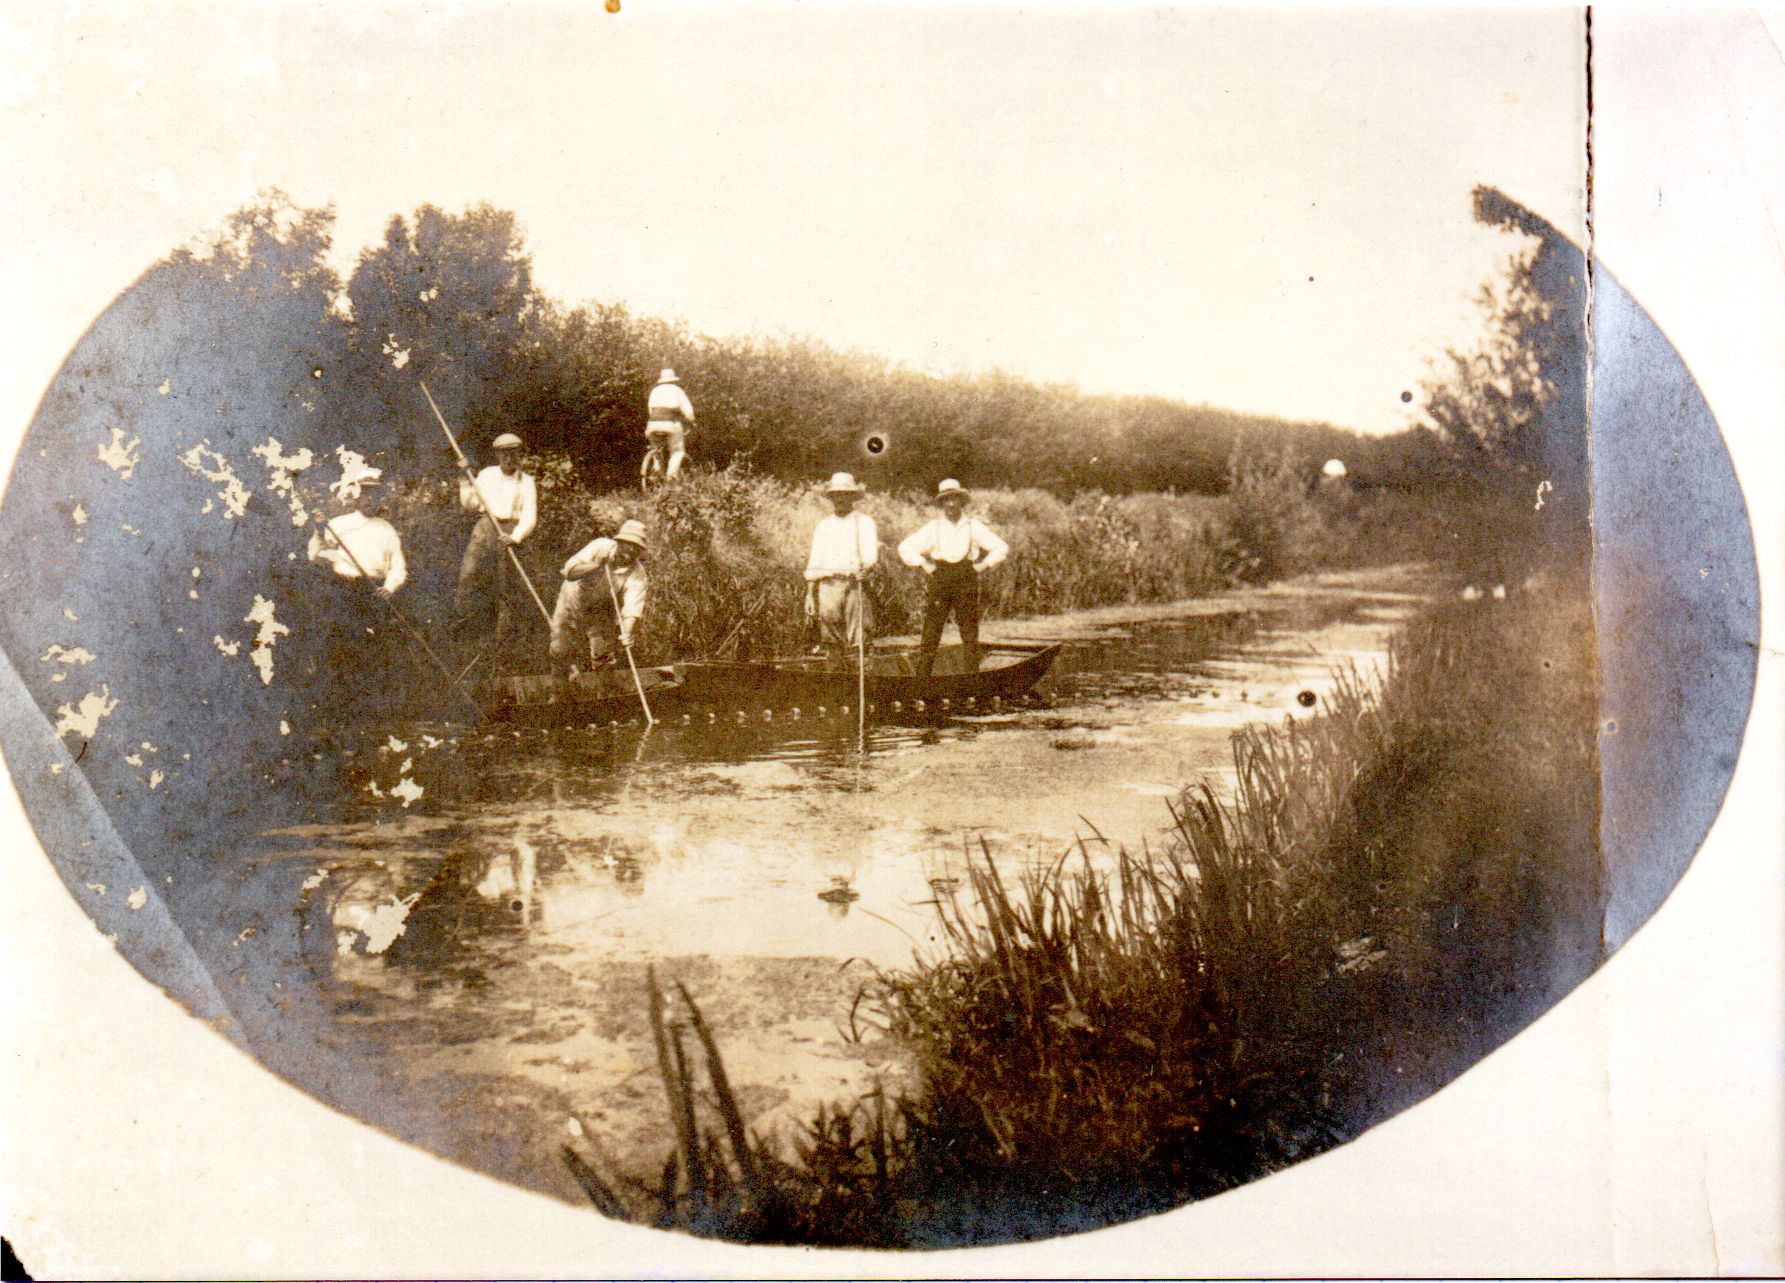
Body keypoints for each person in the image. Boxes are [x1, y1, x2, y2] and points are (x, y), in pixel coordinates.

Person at [304, 449, 407, 680]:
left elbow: (398, 566)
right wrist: (319, 532)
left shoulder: (386, 528)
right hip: (345, 591)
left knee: (375, 650)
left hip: (375, 593)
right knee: (343, 647)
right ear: (357, 496)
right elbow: (316, 556)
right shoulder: (338, 525)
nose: (371, 500)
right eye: (366, 494)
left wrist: (389, 588)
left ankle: (374, 705)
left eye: (375, 495)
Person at [898, 478, 1008, 682]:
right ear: (942, 503)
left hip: (966, 578)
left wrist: (983, 565)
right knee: (931, 630)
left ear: (961, 501)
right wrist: (925, 564)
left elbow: (1001, 547)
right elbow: (905, 547)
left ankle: (971, 680)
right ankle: (922, 680)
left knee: (968, 631)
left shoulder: (973, 526)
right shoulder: (934, 527)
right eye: (946, 500)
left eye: (955, 499)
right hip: (940, 578)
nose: (951, 504)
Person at [452, 432, 538, 649]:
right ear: (498, 455)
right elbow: (470, 504)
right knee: (469, 577)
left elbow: (529, 516)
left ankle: (502, 644)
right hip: (485, 528)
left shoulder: (526, 482)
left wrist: (515, 537)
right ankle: (467, 634)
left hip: (509, 533)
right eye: (504, 454)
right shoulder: (487, 475)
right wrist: (464, 478)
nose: (509, 459)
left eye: (513, 454)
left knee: (505, 586)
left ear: (520, 455)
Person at [550, 519, 649, 678]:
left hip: (601, 608)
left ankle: (605, 694)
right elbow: (569, 573)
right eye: (627, 544)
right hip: (572, 600)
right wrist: (596, 565)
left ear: (640, 552)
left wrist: (627, 633)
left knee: (603, 655)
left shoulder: (638, 574)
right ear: (618, 542)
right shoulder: (599, 546)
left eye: (636, 548)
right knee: (560, 650)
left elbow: (632, 609)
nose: (630, 551)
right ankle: (558, 694)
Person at [804, 472, 877, 666]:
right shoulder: (824, 526)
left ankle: (861, 681)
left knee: (859, 637)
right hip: (828, 585)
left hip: (854, 584)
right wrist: (810, 594)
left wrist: (866, 569)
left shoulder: (864, 522)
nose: (841, 499)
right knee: (831, 639)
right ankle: (837, 684)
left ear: (853, 497)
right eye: (837, 495)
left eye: (845, 494)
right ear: (832, 498)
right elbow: (815, 561)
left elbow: (871, 556)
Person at [645, 367, 695, 481]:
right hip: (670, 424)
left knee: (656, 448)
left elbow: (650, 410)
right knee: (677, 451)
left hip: (652, 424)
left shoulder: (655, 391)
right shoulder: (677, 390)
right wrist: (691, 421)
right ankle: (671, 478)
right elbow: (688, 411)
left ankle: (656, 466)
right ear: (673, 380)